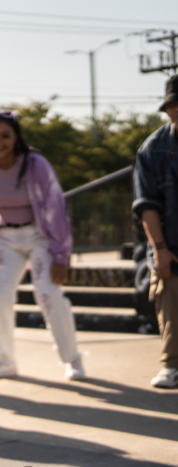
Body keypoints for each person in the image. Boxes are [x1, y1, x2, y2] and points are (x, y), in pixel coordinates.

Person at [0, 111, 83, 381]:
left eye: (5, 135)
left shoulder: (36, 164)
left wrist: (61, 255)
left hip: (40, 238)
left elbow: (56, 207)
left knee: (48, 295)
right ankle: (4, 361)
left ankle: (73, 359)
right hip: (6, 238)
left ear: (16, 137)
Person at [133, 75, 178, 390]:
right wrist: (159, 248)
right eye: (171, 106)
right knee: (168, 293)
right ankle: (172, 364)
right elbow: (147, 205)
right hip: (169, 238)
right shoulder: (153, 148)